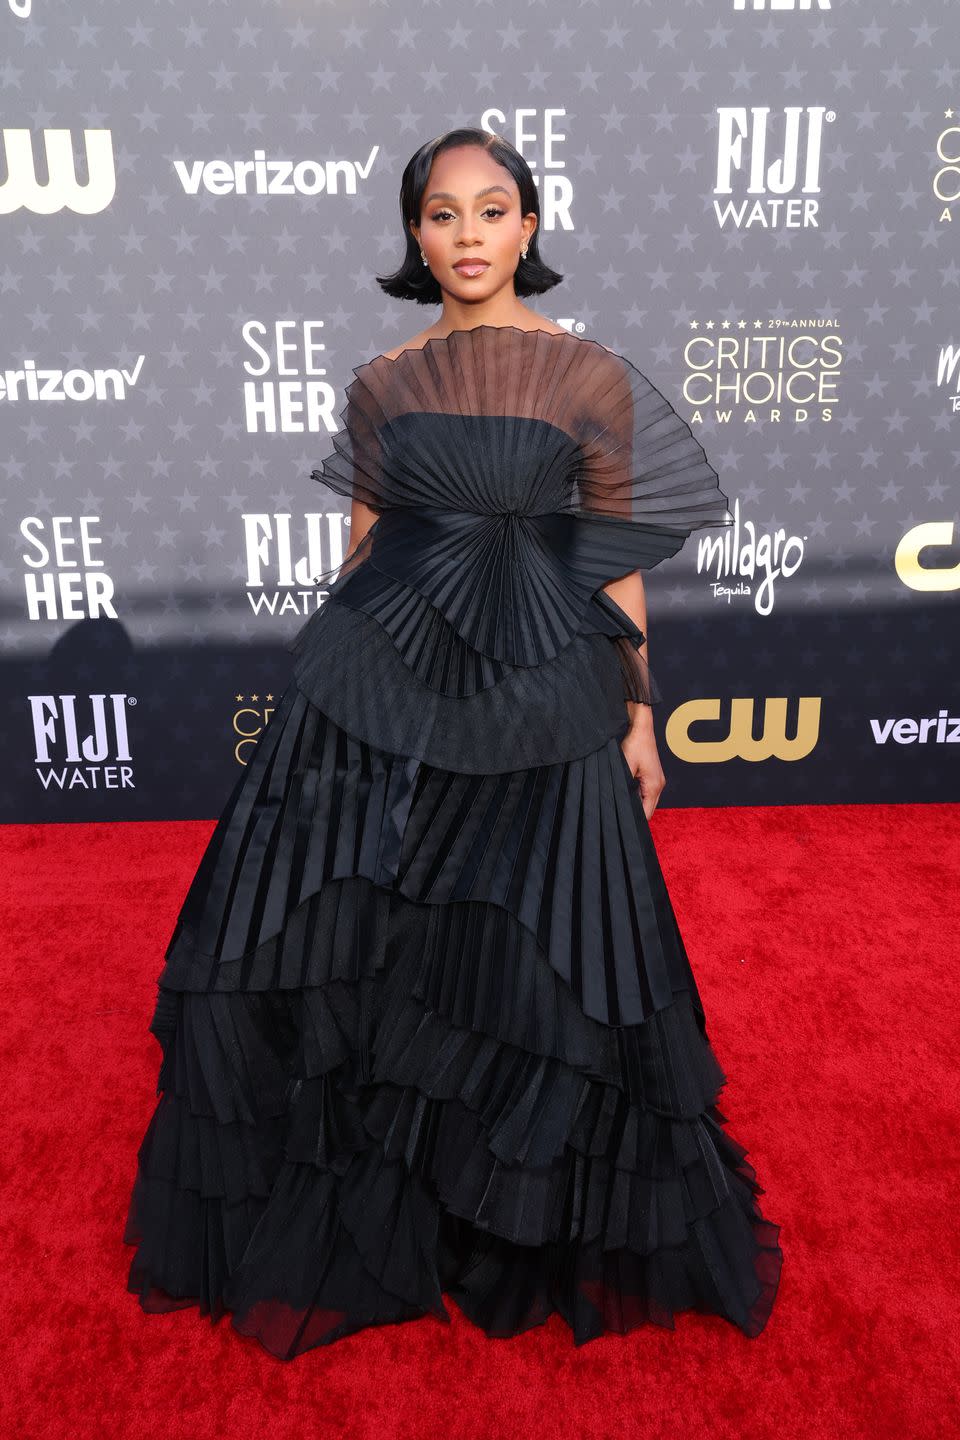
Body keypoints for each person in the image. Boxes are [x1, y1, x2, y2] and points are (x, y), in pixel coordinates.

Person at [123, 127, 783, 1359]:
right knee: (355, 929)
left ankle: (512, 1213)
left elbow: (613, 562)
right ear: (415, 237)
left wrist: (639, 710)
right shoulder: (384, 380)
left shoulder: (587, 377)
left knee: (539, 948)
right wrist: (333, 691)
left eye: (493, 210)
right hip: (387, 677)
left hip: (543, 680)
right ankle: (384, 1189)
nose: (468, 234)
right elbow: (367, 549)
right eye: (441, 212)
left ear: (530, 228)